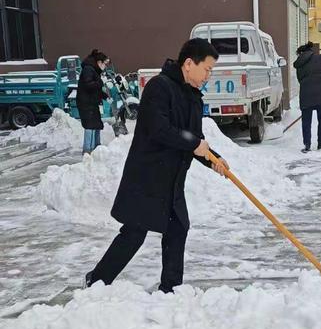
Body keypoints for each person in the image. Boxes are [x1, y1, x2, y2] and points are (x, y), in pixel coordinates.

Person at [84, 38, 229, 293]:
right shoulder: (159, 88)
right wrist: (194, 142)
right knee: (134, 233)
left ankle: (170, 290)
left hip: (172, 179)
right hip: (148, 177)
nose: (209, 75)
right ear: (188, 64)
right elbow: (160, 129)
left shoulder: (193, 97)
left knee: (177, 228)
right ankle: (96, 281)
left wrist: (214, 159)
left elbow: (194, 141)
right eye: (207, 69)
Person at [77, 49, 110, 154]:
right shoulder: (88, 69)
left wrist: (105, 96)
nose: (105, 66)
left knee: (96, 125)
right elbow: (88, 85)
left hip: (92, 102)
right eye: (105, 64)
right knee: (90, 126)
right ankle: (87, 151)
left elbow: (95, 89)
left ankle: (96, 149)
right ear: (99, 62)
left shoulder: (94, 70)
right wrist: (100, 82)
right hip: (86, 103)